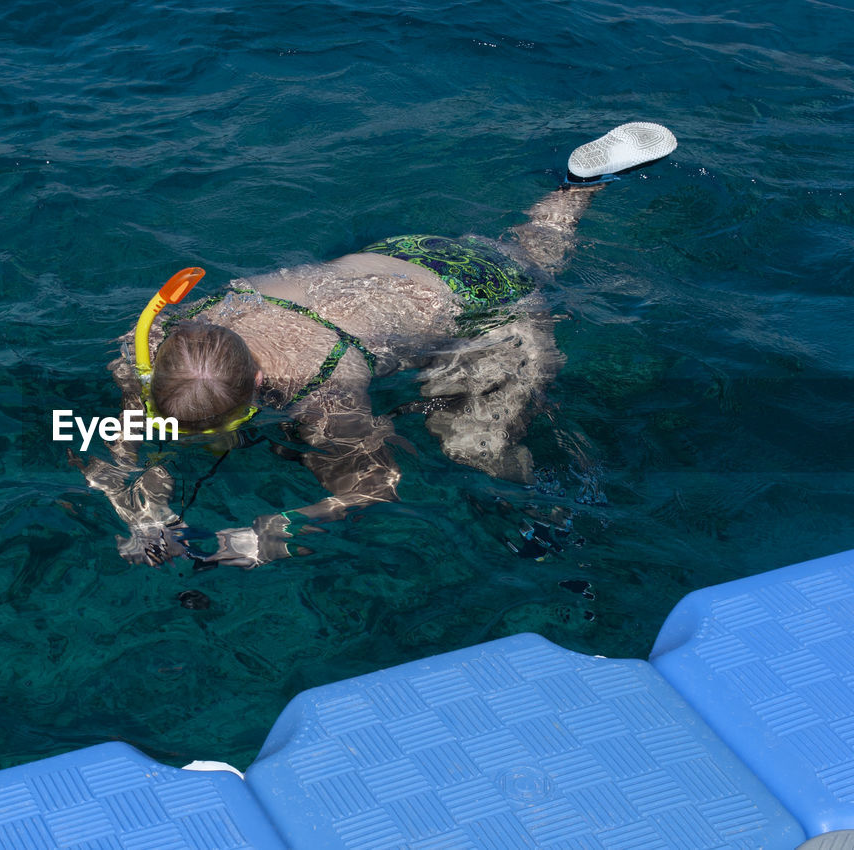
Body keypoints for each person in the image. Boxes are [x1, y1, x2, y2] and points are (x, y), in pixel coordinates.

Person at [75, 122, 678, 568]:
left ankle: (579, 192)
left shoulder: (325, 389)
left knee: (474, 447)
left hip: (480, 301)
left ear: (260, 386)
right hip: (404, 254)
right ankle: (573, 185)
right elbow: (118, 427)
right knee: (528, 241)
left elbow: (375, 487)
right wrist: (141, 510)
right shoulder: (155, 339)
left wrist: (279, 528)